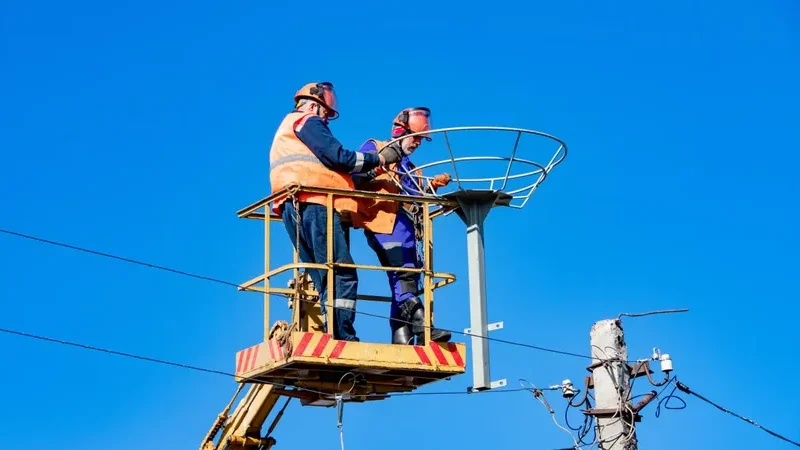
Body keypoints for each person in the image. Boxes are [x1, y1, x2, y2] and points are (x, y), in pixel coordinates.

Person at [269, 82, 403, 341]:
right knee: (340, 272)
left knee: (324, 274)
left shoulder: (288, 131)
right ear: (312, 104)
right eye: (326, 114)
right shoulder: (307, 121)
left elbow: (338, 170)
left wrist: (370, 173)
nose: (326, 120)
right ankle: (343, 337)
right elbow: (340, 158)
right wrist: (381, 158)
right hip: (315, 202)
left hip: (293, 204)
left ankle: (334, 332)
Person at [350, 107, 453, 345]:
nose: (417, 143)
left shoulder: (410, 167)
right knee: (403, 274)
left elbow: (412, 197)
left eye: (421, 139)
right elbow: (355, 177)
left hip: (407, 230)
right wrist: (376, 168)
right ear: (399, 131)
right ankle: (422, 326)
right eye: (415, 137)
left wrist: (432, 187)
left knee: (409, 278)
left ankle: (402, 338)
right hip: (384, 223)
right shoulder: (376, 149)